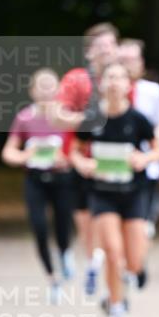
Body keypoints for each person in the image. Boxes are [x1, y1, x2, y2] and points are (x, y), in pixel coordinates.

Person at [70, 61, 159, 317]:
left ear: (127, 85)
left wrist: (143, 157)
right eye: (108, 77)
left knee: (132, 263)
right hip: (102, 194)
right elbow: (75, 150)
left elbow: (158, 152)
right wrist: (81, 164)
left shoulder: (138, 120)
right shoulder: (91, 119)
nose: (113, 82)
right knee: (112, 251)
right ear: (101, 85)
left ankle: (128, 276)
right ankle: (116, 306)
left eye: (119, 77)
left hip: (134, 193)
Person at [56, 23, 120, 295]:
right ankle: (95, 264)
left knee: (111, 221)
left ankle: (114, 274)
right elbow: (57, 115)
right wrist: (88, 120)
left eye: (111, 45)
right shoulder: (76, 79)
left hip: (115, 160)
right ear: (89, 51)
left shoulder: (122, 79)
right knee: (86, 225)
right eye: (101, 46)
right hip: (81, 160)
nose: (107, 51)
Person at [1, 69, 75, 301]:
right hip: (35, 180)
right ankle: (53, 278)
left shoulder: (68, 116)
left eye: (50, 86)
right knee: (39, 227)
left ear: (58, 90)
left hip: (62, 179)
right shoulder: (25, 118)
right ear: (32, 91)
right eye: (40, 87)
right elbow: (8, 152)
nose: (45, 92)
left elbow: (81, 149)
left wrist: (67, 158)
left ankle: (64, 253)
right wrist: (25, 156)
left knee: (63, 224)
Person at [118, 39, 159, 254]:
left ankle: (137, 262)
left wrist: (151, 145)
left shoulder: (153, 91)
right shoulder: (107, 91)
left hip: (146, 163)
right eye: (123, 59)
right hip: (115, 163)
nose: (128, 64)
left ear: (141, 62)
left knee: (142, 220)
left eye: (132, 59)